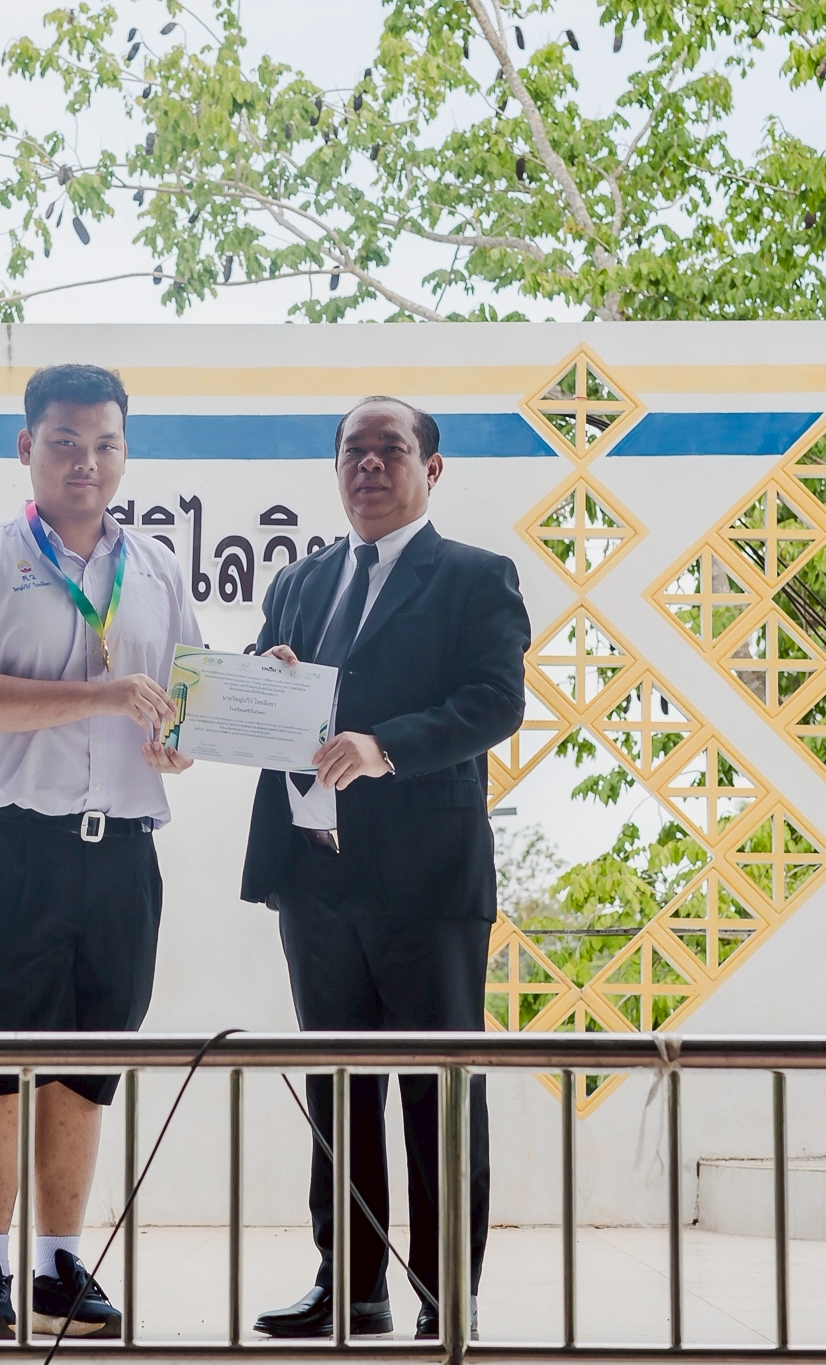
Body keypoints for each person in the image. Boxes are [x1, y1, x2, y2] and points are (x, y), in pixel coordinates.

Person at [0, 365, 202, 1341]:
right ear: (26, 447)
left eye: (106, 444)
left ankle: (56, 1266)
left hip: (120, 855)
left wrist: (185, 733)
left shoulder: (155, 567)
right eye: (67, 442)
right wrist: (101, 696)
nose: (88, 462)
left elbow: (181, 701)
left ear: (125, 452)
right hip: (11, 848)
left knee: (89, 1065)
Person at [243, 397, 528, 1340]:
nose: (368, 466)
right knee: (338, 1087)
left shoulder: (477, 577)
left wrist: (384, 746)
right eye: (352, 452)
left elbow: (495, 701)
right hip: (313, 876)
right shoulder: (299, 582)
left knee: (438, 1090)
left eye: (389, 449)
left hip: (428, 885)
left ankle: (448, 1297)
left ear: (431, 468)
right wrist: (264, 674)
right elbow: (253, 686)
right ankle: (351, 1287)